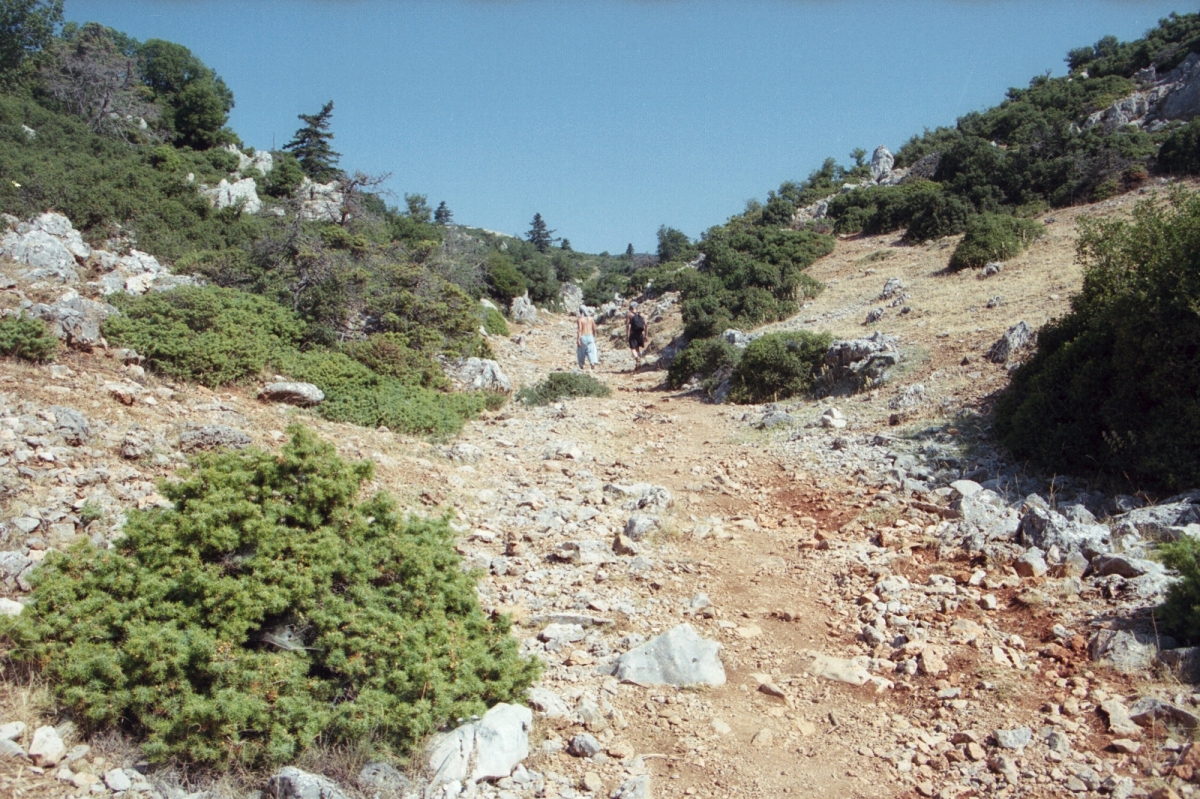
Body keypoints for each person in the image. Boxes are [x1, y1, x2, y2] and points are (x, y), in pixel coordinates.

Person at [625, 302, 648, 369]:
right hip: (641, 333)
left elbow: (627, 325)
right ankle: (638, 364)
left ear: (631, 308)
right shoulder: (642, 314)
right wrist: (646, 335)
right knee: (637, 348)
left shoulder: (629, 314)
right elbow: (646, 325)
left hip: (633, 334)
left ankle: (637, 358)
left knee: (633, 349)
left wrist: (626, 335)